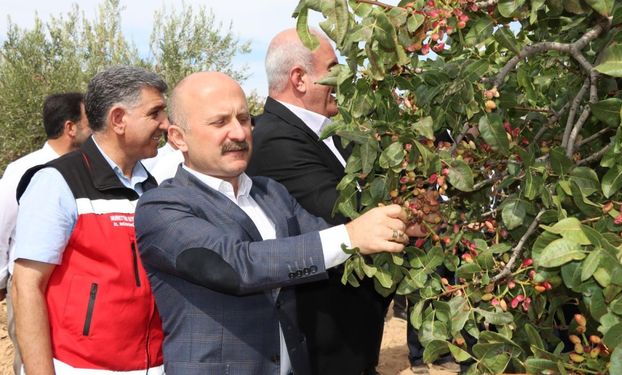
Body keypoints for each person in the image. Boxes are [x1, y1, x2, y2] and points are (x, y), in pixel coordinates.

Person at [134, 71, 412, 375]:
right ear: (178, 137)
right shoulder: (161, 208)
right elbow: (235, 266)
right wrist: (350, 235)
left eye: (243, 119)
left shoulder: (271, 193)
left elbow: (330, 249)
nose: (239, 133)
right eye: (219, 122)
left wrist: (399, 225)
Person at [246, 28, 389, 374]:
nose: (343, 79)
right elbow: (344, 211)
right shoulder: (276, 140)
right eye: (334, 68)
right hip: (323, 342)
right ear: (300, 78)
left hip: (351, 336)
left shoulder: (327, 132)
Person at [11, 66, 168, 374]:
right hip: (82, 367)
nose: (165, 124)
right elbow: (26, 286)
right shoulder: (57, 182)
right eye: (155, 113)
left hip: (152, 365)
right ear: (119, 120)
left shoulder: (151, 187)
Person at [0, 92, 90, 374]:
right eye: (89, 122)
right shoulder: (22, 170)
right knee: (30, 361)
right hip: (28, 284)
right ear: (70, 128)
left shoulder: (90, 170)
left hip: (77, 288)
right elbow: (2, 227)